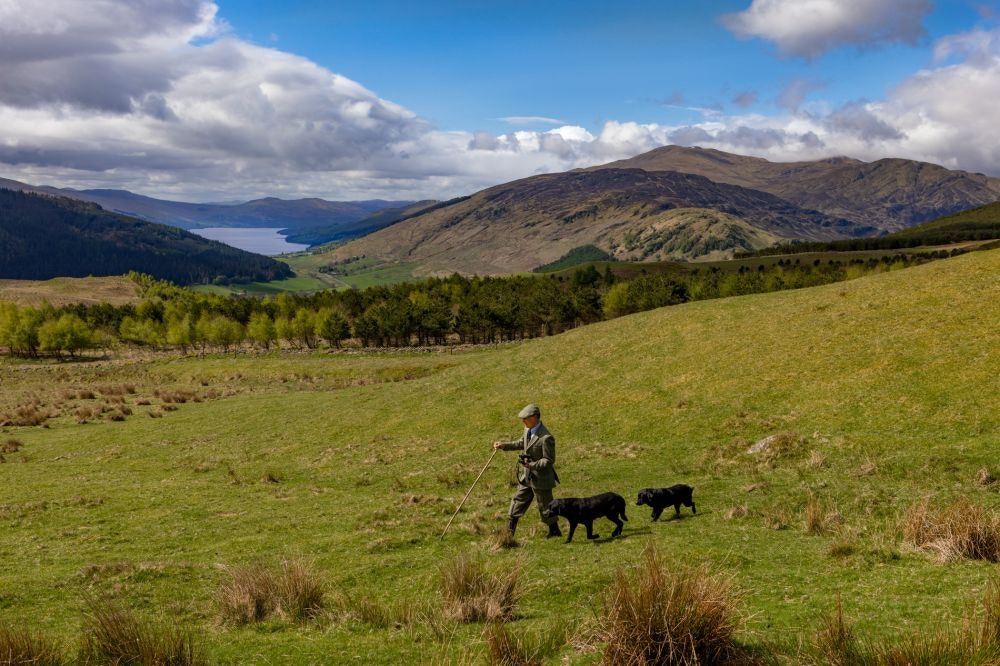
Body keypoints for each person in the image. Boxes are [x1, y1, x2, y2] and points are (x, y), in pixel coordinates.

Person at [493, 403, 562, 538]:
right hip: (527, 477)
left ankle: (554, 531)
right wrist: (503, 445)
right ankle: (509, 532)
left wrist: (532, 465)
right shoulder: (527, 430)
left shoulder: (546, 438)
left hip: (542, 478)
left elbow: (548, 461)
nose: (523, 421)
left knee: (545, 505)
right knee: (518, 500)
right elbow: (521, 443)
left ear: (535, 417)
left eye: (526, 418)